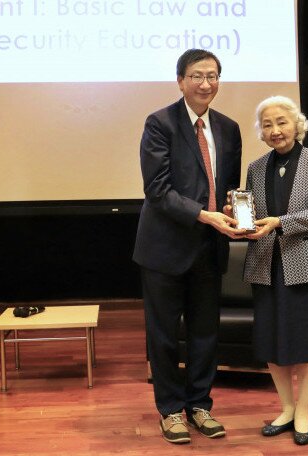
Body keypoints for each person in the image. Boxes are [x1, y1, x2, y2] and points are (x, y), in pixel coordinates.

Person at [132, 49, 244, 444]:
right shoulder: (160, 123)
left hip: (209, 249)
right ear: (180, 81)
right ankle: (170, 410)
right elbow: (157, 189)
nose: (205, 83)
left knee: (204, 334)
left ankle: (200, 405)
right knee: (163, 337)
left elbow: (229, 186)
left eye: (213, 76)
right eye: (197, 75)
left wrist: (231, 209)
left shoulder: (229, 129)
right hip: (164, 249)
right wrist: (204, 215)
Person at [241, 96, 308, 445]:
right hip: (266, 264)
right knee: (271, 340)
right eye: (267, 124)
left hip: (307, 265)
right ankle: (285, 407)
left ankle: (303, 411)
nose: (275, 130)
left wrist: (279, 222)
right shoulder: (255, 167)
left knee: (305, 341)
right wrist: (240, 217)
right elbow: (252, 214)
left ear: (296, 124)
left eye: (281, 122)